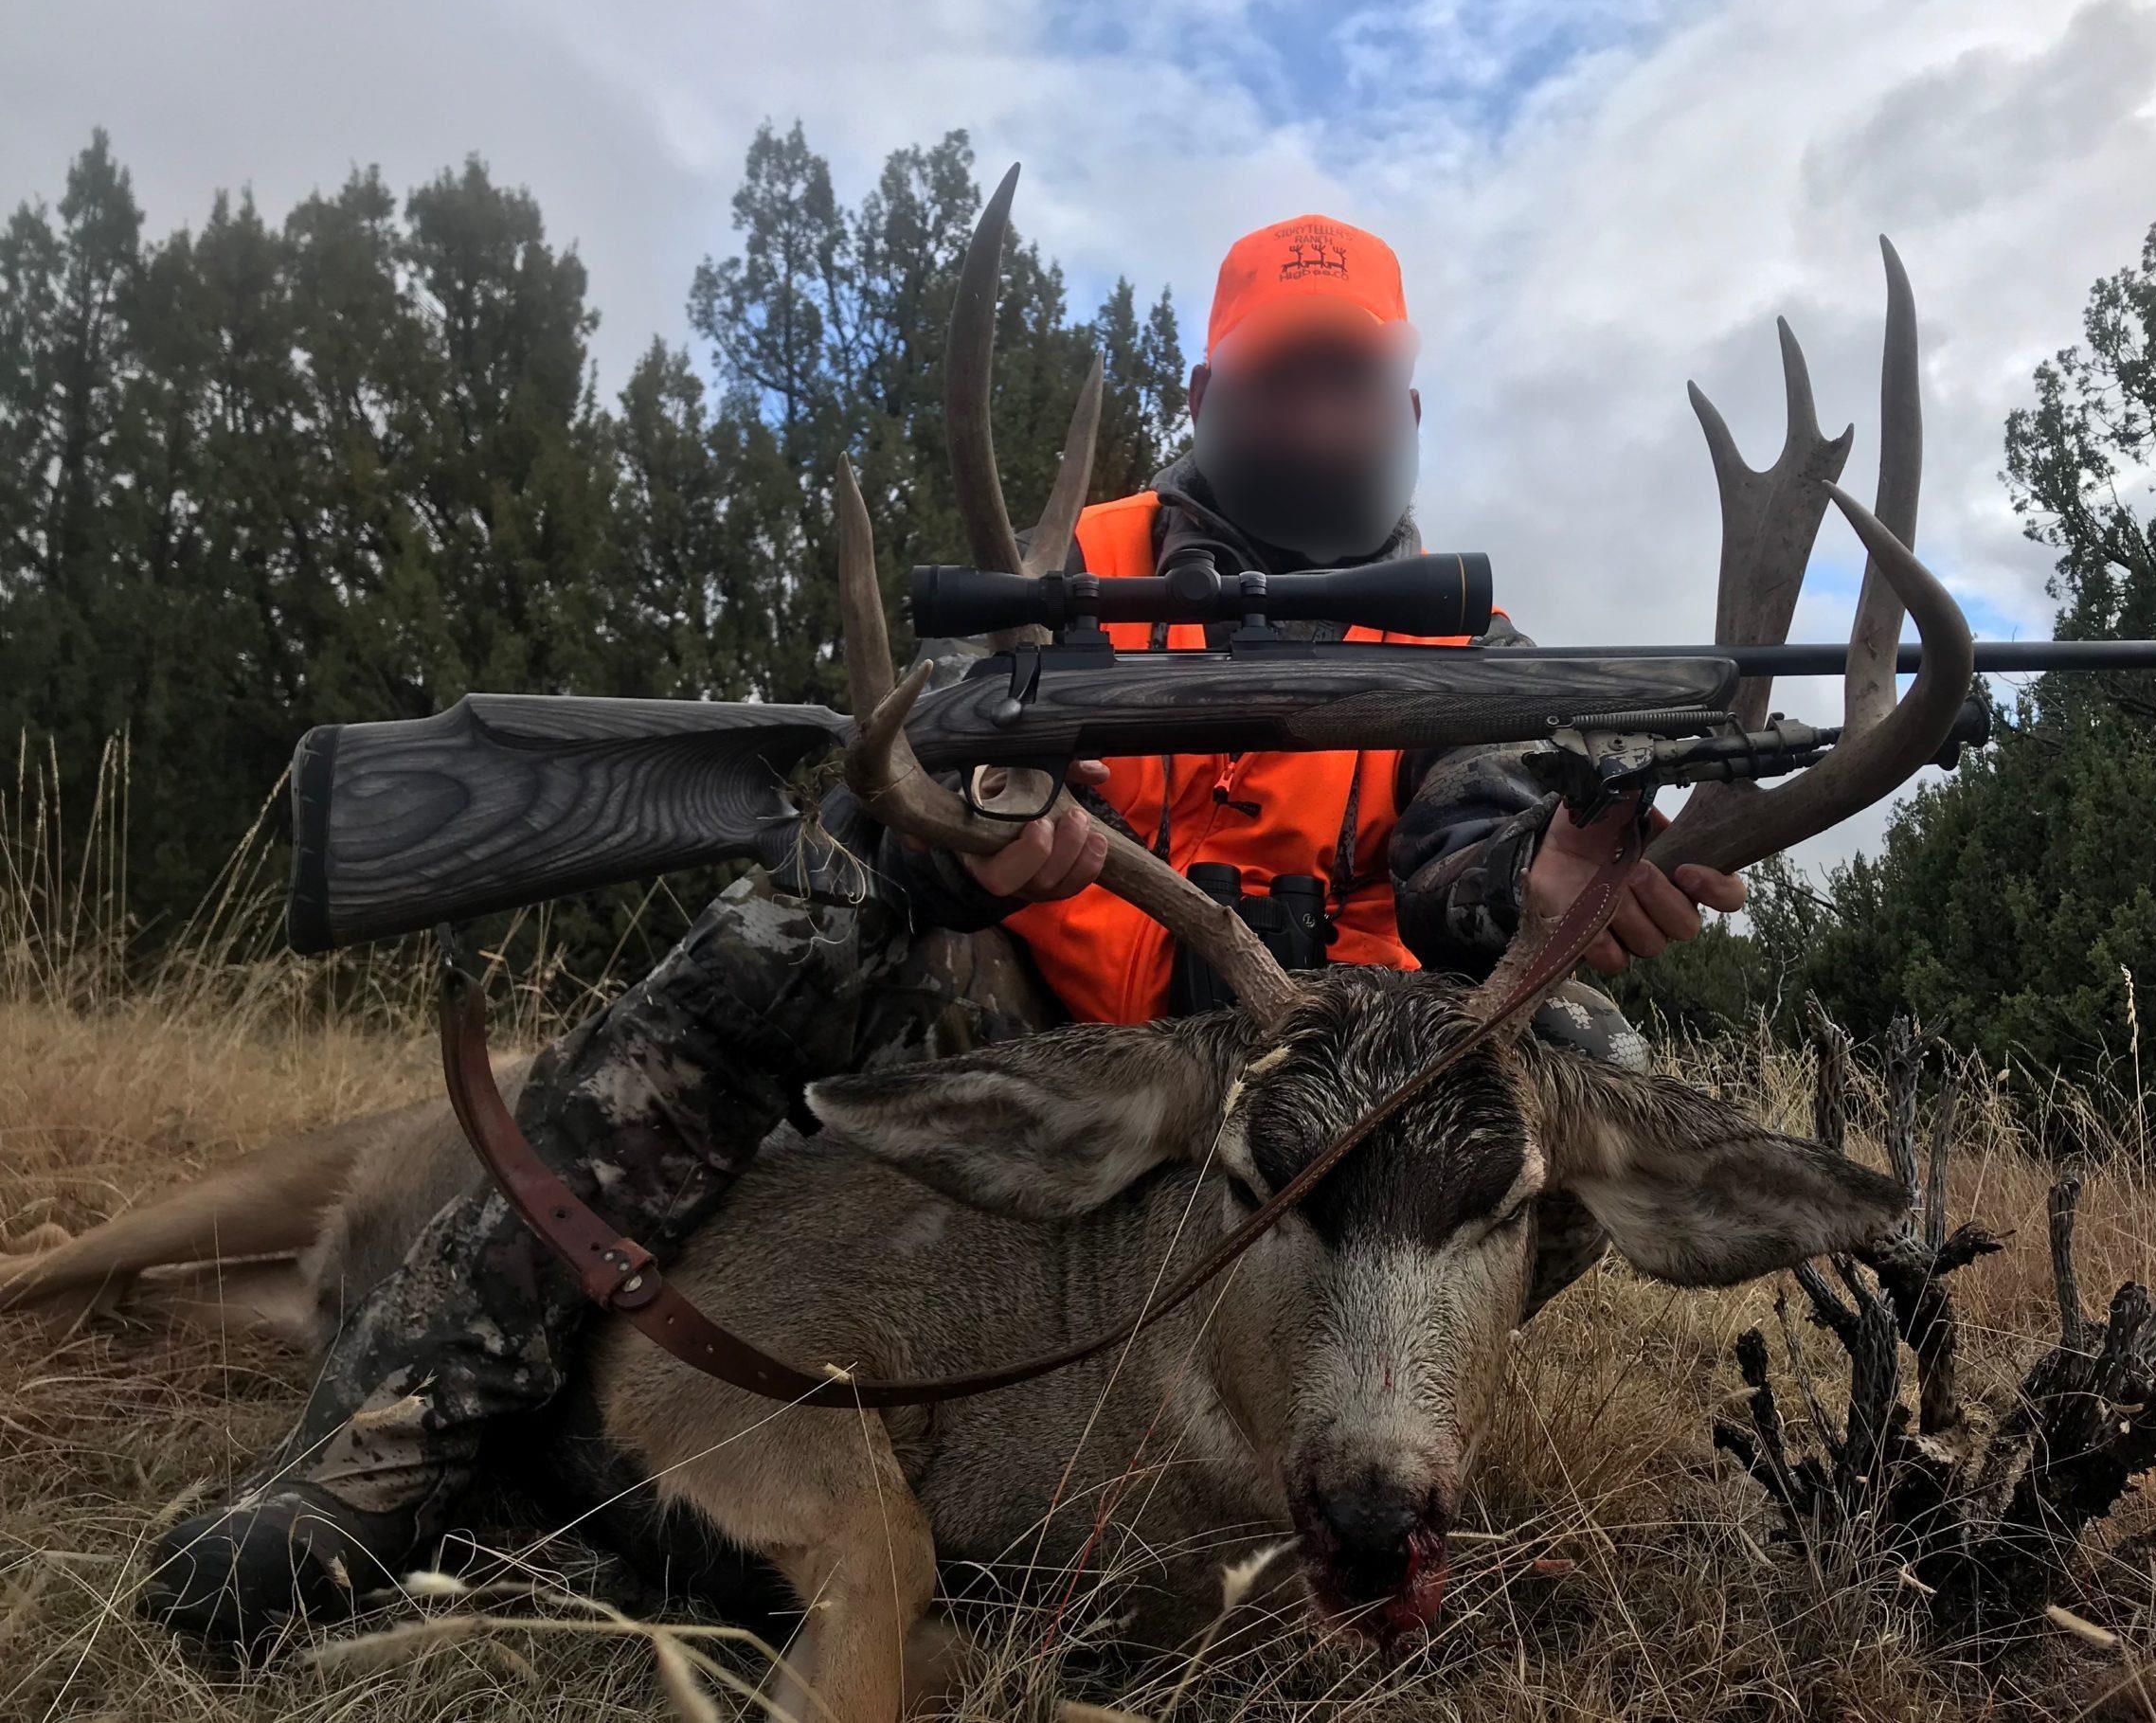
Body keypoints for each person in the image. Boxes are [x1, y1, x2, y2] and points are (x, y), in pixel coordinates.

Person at [147, 211, 1746, 1642]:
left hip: (1298, 1138)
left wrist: (1542, 873)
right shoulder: (1066, 576)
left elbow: (1477, 838)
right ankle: (402, 1425)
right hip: (1054, 1072)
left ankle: (1332, 1422)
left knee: (1584, 1052)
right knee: (809, 930)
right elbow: (903, 772)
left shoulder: (1469, 640)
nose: (1317, 419)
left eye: (1348, 383)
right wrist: (958, 834)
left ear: (1405, 409)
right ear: (1206, 402)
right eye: (1278, 384)